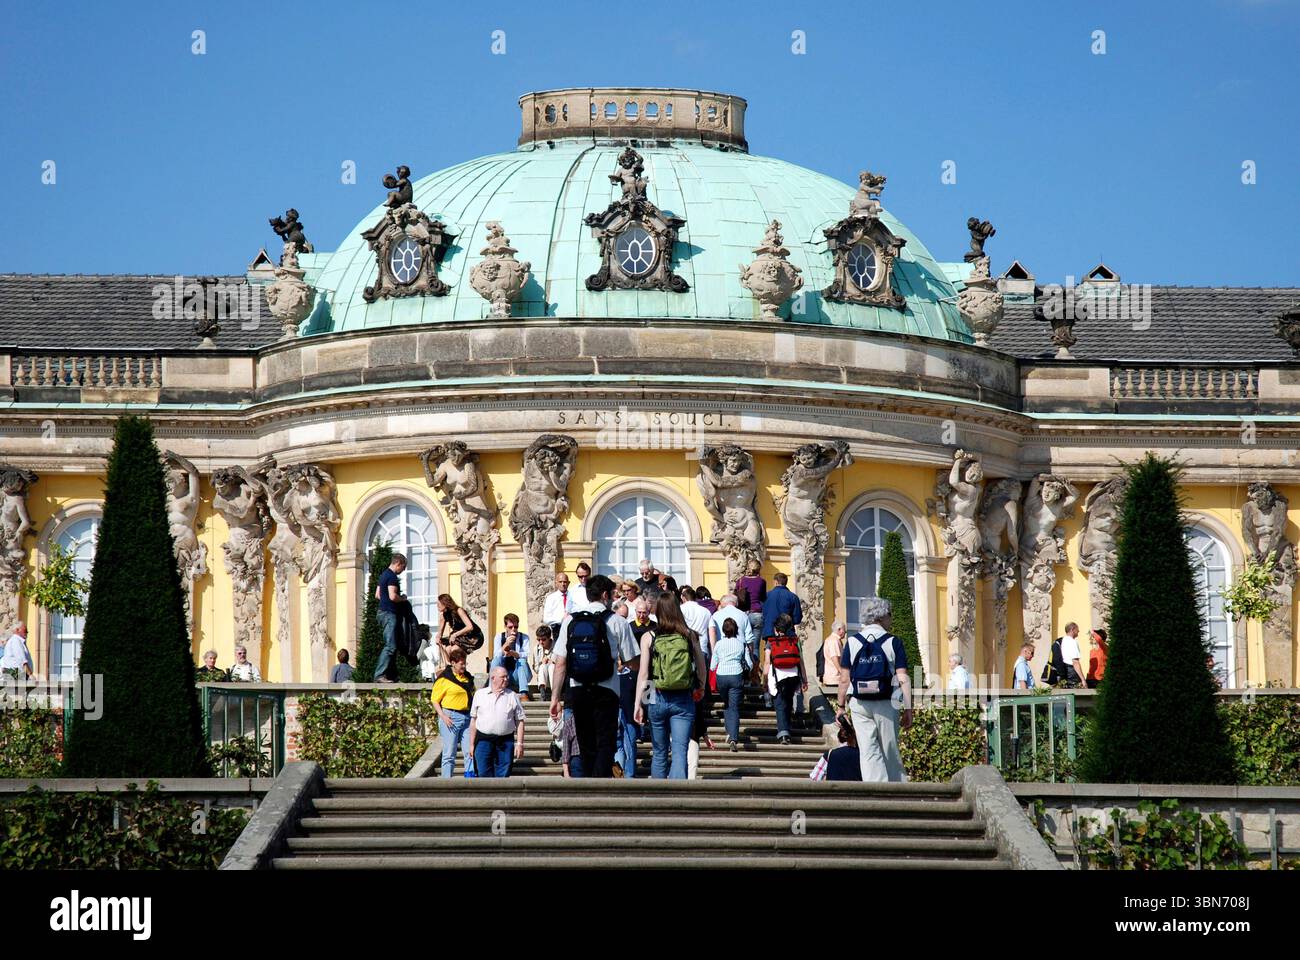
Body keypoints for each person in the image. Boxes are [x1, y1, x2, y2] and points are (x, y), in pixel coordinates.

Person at [549, 574, 640, 779]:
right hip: (607, 689)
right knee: (605, 741)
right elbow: (633, 661)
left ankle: (588, 787)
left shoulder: (570, 620)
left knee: (585, 742)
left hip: (578, 688)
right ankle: (602, 788)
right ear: (606, 595)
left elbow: (560, 663)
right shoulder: (617, 621)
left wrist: (555, 698)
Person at [837, 597, 913, 783]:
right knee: (889, 748)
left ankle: (875, 789)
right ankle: (896, 790)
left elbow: (844, 679)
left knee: (868, 750)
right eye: (890, 615)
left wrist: (840, 707)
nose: (891, 619)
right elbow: (902, 677)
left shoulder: (852, 642)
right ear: (882, 617)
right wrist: (909, 708)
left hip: (859, 702)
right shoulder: (893, 642)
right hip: (887, 701)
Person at [634, 592, 708, 779]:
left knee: (659, 752)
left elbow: (644, 674)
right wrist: (701, 688)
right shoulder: (690, 635)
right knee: (679, 751)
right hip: (683, 697)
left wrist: (638, 704)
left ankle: (658, 801)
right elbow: (701, 667)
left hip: (655, 696)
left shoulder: (649, 636)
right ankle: (677, 800)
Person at [469, 665, 526, 777]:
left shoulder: (512, 696)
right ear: (493, 678)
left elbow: (520, 721)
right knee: (483, 772)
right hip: (483, 740)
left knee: (504, 774)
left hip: (505, 741)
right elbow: (473, 721)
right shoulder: (480, 695)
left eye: (507, 677)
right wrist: (471, 745)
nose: (506, 679)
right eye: (503, 677)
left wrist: (519, 743)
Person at [431, 646, 475, 778]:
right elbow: (434, 700)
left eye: (465, 663)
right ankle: (446, 783)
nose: (464, 666)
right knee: (449, 753)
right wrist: (443, 716)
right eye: (461, 663)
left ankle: (470, 779)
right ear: (453, 663)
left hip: (467, 718)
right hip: (450, 717)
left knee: (469, 752)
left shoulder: (467, 678)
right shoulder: (444, 678)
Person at [711, 616, 753, 751]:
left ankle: (729, 731)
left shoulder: (718, 644)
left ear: (723, 630)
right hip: (736, 675)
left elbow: (712, 666)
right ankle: (733, 737)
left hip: (721, 676)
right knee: (734, 707)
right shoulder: (741, 644)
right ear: (736, 629)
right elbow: (750, 664)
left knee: (727, 704)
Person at [765, 613, 807, 745]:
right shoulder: (795, 641)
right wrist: (804, 680)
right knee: (788, 703)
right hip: (793, 676)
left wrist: (764, 680)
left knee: (779, 704)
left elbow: (767, 663)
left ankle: (783, 733)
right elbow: (801, 661)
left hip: (777, 678)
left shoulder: (770, 642)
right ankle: (787, 730)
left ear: (776, 629)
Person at [373, 553, 408, 682]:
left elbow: (377, 595)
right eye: (403, 568)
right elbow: (393, 596)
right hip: (389, 614)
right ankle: (379, 675)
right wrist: (403, 599)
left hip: (382, 613)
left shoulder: (383, 575)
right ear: (398, 564)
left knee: (392, 644)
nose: (402, 571)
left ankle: (391, 675)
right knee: (390, 646)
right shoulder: (392, 577)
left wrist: (386, 601)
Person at [708, 593, 755, 676]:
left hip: (721, 657)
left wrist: (713, 654)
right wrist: (750, 657)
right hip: (740, 657)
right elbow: (749, 639)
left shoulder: (715, 615)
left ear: (723, 603)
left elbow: (712, 635)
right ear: (735, 603)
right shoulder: (743, 615)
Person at [491, 613, 532, 698]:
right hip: (505, 674)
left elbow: (526, 655)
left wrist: (514, 653)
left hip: (520, 675)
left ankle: (524, 693)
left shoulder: (524, 637)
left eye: (516, 627)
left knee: (521, 660)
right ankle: (492, 689)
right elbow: (496, 655)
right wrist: (506, 644)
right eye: (510, 627)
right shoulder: (499, 637)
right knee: (496, 660)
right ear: (505, 627)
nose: (513, 629)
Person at [759, 571, 803, 645]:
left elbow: (762, 615)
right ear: (786, 583)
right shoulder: (793, 597)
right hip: (787, 634)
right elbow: (797, 619)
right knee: (786, 655)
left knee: (769, 654)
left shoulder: (766, 596)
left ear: (775, 582)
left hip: (770, 632)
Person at [437, 594, 483, 658]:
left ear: (445, 603)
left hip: (474, 636)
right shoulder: (443, 616)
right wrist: (438, 638)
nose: (437, 606)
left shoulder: (459, 610)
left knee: (454, 650)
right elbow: (439, 633)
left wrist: (455, 635)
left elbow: (470, 627)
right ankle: (451, 667)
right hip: (460, 637)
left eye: (439, 603)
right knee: (447, 650)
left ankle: (460, 665)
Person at [679, 586, 714, 662]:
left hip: (685, 649)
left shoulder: (680, 609)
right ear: (695, 598)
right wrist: (713, 654)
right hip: (702, 648)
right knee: (703, 673)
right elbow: (712, 633)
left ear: (683, 598)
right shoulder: (706, 611)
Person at [735, 558, 767, 632]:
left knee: (743, 641)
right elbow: (763, 598)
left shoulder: (740, 580)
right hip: (757, 613)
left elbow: (735, 595)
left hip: (743, 613)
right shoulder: (762, 581)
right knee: (756, 643)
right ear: (759, 569)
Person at [543, 572, 577, 639]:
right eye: (560, 582)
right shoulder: (551, 598)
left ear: (568, 583)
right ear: (556, 583)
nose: (563, 584)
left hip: (573, 629)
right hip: (558, 630)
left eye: (565, 582)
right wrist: (561, 619)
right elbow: (546, 619)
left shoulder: (574, 596)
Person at [819, 621, 848, 692]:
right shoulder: (834, 640)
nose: (845, 632)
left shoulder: (832, 640)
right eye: (845, 630)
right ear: (839, 630)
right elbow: (834, 658)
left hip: (832, 677)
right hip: (834, 678)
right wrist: (842, 672)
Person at [1057, 622, 1085, 688]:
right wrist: (1083, 679)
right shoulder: (1072, 642)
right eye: (1077, 629)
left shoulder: (1063, 640)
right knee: (1076, 693)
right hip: (1072, 673)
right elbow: (1075, 662)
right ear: (1072, 629)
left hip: (1064, 671)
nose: (1078, 631)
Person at [531, 624, 555, 700]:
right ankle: (543, 694)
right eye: (538, 639)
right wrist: (542, 662)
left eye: (543, 639)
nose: (541, 642)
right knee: (542, 666)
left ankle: (554, 694)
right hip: (543, 679)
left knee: (551, 667)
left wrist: (553, 662)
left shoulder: (557, 647)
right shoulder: (536, 649)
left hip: (556, 678)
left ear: (549, 638)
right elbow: (536, 669)